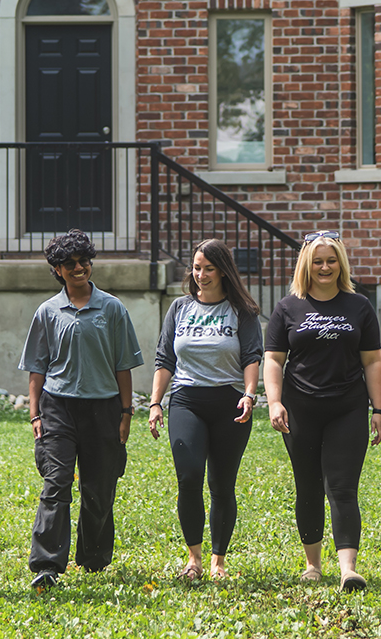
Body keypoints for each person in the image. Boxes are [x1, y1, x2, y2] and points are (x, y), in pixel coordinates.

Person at [21, 229, 144, 591]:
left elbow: (124, 365)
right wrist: (35, 414)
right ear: (57, 269)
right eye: (71, 263)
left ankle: (93, 559)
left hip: (103, 408)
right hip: (58, 408)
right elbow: (37, 368)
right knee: (56, 483)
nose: (79, 268)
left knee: (99, 488)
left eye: (84, 261)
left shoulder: (113, 308)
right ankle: (46, 565)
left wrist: (125, 413)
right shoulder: (47, 312)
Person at [263, 231, 381, 592]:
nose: (324, 267)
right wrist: (274, 401)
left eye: (331, 260)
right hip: (300, 407)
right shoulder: (288, 307)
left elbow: (373, 361)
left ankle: (348, 569)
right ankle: (313, 565)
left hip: (347, 407)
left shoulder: (359, 306)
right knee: (308, 487)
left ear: (340, 264)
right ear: (306, 264)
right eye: (317, 261)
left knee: (343, 488)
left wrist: (378, 409)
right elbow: (273, 359)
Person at [147, 238, 263, 580]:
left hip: (230, 403)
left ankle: (218, 562)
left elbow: (251, 356)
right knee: (188, 477)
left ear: (224, 271)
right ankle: (194, 560)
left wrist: (250, 394)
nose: (201, 275)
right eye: (196, 268)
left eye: (209, 268)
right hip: (186, 400)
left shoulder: (242, 312)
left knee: (222, 485)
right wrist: (155, 402)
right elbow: (165, 358)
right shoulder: (179, 309)